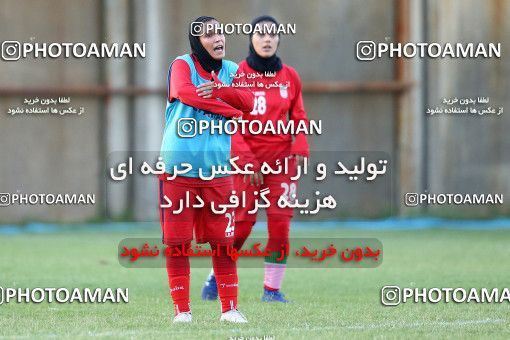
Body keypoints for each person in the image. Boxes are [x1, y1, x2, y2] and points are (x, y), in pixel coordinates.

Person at [201, 15, 310, 303]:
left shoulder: (291, 76)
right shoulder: (237, 75)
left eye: (272, 34)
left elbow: (298, 116)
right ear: (251, 39)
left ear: (279, 39)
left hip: (281, 164)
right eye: (261, 34)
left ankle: (271, 291)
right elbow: (230, 121)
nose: (267, 39)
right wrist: (246, 160)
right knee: (240, 226)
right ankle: (216, 276)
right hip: (246, 165)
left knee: (280, 226)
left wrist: (300, 145)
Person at [159, 16, 254, 323]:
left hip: (217, 173)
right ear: (196, 41)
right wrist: (230, 110)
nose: (218, 38)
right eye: (209, 34)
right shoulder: (181, 64)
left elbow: (249, 102)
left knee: (224, 244)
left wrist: (220, 92)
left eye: (221, 32)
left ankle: (229, 309)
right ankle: (182, 311)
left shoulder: (232, 71)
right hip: (178, 170)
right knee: (177, 244)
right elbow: (186, 93)